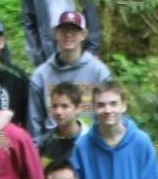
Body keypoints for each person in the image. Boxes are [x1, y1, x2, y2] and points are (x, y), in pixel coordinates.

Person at [28, 10, 111, 145]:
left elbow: (108, 113)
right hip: (53, 146)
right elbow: (34, 122)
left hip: (91, 144)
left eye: (74, 30)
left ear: (83, 35)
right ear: (56, 34)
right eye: (64, 30)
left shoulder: (99, 72)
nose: (68, 34)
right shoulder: (41, 75)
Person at [37, 81, 88, 170]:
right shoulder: (46, 141)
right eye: (54, 106)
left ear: (78, 108)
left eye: (64, 106)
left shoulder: (89, 140)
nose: (58, 112)